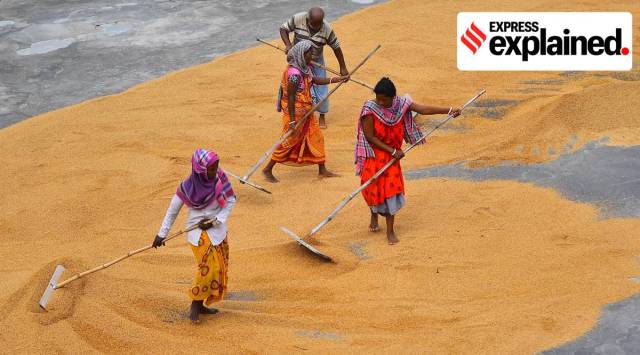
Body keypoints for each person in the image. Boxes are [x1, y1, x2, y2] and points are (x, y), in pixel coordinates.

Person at [355, 78, 461, 245]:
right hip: (375, 155)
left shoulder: (401, 104)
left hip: (392, 158)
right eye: (378, 98)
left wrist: (449, 110)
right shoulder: (370, 109)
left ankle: (390, 230)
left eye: (384, 99)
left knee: (391, 191)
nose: (381, 103)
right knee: (372, 189)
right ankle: (374, 215)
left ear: (393, 98)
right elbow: (369, 136)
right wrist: (392, 151)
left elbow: (424, 109)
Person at [152, 149, 236, 324]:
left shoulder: (220, 178)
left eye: (216, 167)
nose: (215, 172)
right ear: (200, 170)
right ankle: (195, 304)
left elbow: (231, 200)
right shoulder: (186, 188)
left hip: (218, 230)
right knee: (208, 268)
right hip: (197, 233)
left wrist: (216, 220)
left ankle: (202, 305)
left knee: (219, 269)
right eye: (211, 169)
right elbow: (172, 211)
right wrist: (161, 235)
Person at [262, 40, 348, 183]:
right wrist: (292, 120)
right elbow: (290, 97)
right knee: (288, 141)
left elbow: (314, 80)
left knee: (317, 137)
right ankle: (268, 168)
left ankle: (322, 169)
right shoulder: (294, 74)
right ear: (302, 54)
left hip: (306, 112)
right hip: (296, 115)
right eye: (309, 54)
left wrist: (337, 79)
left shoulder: (304, 68)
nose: (312, 56)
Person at [280, 7, 348, 129]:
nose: (316, 28)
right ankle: (297, 115)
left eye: (319, 25)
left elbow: (336, 47)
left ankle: (321, 115)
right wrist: (288, 45)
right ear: (308, 19)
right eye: (313, 25)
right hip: (298, 60)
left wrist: (342, 69)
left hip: (317, 60)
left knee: (321, 90)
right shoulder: (298, 18)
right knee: (297, 90)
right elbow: (283, 29)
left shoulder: (327, 29)